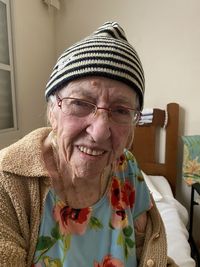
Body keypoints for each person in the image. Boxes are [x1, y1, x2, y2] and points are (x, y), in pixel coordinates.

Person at [0, 22, 178, 267]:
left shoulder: (127, 167)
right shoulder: (7, 183)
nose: (100, 131)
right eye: (81, 103)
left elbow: (147, 251)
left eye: (120, 110)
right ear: (53, 110)